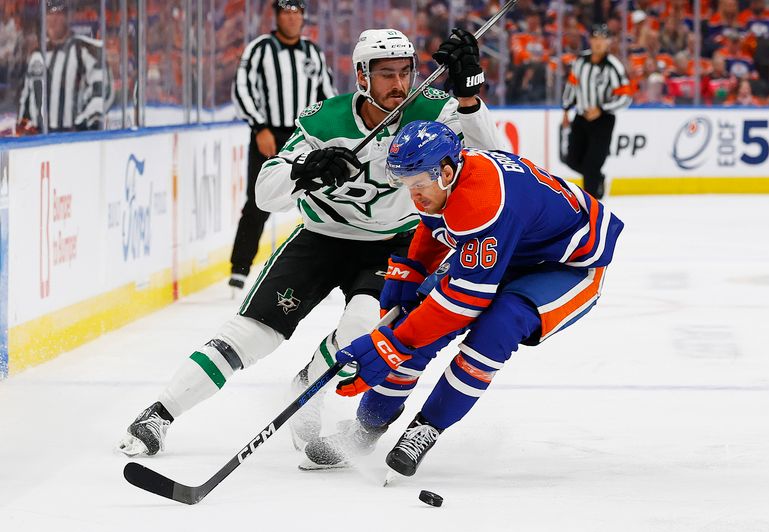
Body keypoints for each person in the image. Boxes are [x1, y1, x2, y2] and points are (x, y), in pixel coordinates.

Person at [118, 28, 505, 457]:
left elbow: (497, 163)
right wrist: (305, 170)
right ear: (362, 77)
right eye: (386, 74)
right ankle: (160, 413)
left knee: (360, 331)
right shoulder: (324, 121)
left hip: (392, 246)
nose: (399, 85)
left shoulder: (436, 110)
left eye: (405, 72)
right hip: (321, 238)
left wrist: (470, 98)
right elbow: (265, 192)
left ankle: (308, 385)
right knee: (250, 335)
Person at [301, 119, 624, 476]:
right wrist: (408, 271)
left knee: (497, 329)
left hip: (568, 265)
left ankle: (427, 427)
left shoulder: (482, 201)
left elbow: (462, 304)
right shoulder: (438, 178)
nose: (415, 194)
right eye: (406, 185)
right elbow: (431, 224)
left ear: (446, 171)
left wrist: (389, 343)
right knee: (412, 321)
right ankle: (364, 430)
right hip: (514, 245)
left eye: (419, 184)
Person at [228, 0, 335, 293]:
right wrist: (259, 126)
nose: (291, 18)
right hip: (269, 133)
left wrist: (332, 130)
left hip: (306, 134)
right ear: (276, 16)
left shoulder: (312, 53)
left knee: (322, 199)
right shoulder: (260, 49)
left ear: (303, 17)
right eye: (285, 12)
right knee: (259, 200)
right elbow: (242, 87)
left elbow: (327, 93)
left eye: (296, 12)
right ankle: (239, 269)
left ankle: (327, 267)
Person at [17, 0, 112, 134]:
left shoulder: (85, 50)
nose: (52, 20)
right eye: (48, 15)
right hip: (38, 139)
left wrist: (84, 123)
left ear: (67, 18)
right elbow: (26, 96)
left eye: (57, 14)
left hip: (73, 138)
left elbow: (102, 91)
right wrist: (23, 125)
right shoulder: (37, 55)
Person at [561, 23, 631, 199]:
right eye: (595, 38)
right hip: (581, 117)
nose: (599, 43)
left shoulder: (613, 66)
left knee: (592, 164)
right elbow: (572, 86)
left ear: (608, 42)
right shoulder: (580, 62)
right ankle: (598, 179)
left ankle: (592, 206)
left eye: (602, 39)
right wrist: (566, 109)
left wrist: (602, 109)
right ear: (590, 40)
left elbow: (625, 97)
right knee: (572, 159)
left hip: (603, 121)